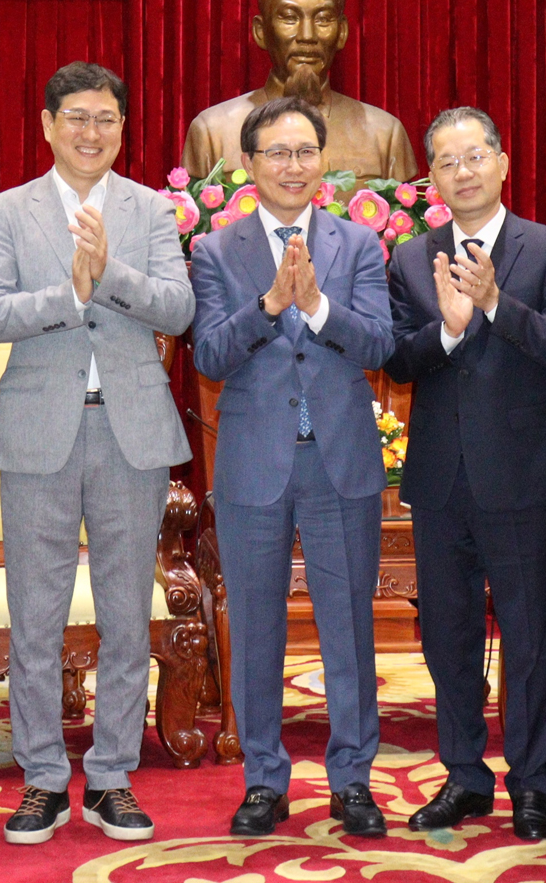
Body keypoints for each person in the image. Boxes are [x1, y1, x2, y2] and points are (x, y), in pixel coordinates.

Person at [0, 62, 195, 845]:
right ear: (46, 124)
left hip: (130, 430)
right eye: (75, 117)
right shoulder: (7, 211)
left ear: (123, 128)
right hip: (39, 432)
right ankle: (39, 778)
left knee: (127, 613)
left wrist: (110, 273)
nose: (90, 131)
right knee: (36, 615)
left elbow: (179, 303)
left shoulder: (151, 210)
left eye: (105, 118)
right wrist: (69, 294)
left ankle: (110, 776)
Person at [190, 96, 396, 838]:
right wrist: (269, 302)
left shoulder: (361, 245)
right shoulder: (216, 251)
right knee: (254, 628)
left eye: (304, 151)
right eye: (276, 152)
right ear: (249, 164)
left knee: (350, 630)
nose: (292, 165)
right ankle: (263, 780)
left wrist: (314, 308)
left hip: (340, 461)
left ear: (323, 159)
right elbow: (209, 353)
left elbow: (377, 344)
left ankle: (352, 780)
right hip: (252, 463)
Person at [384, 107, 546, 840]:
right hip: (440, 478)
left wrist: (496, 303)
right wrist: (447, 329)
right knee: (447, 634)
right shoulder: (412, 258)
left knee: (529, 636)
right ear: (431, 176)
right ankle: (464, 776)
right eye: (446, 160)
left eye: (475, 156)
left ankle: (531, 783)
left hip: (522, 475)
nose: (463, 170)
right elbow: (398, 359)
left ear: (503, 163)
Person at [181, 0, 417, 183]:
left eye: (323, 19)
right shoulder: (212, 133)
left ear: (342, 32)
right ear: (261, 32)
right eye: (289, 18)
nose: (307, 36)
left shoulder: (385, 135)